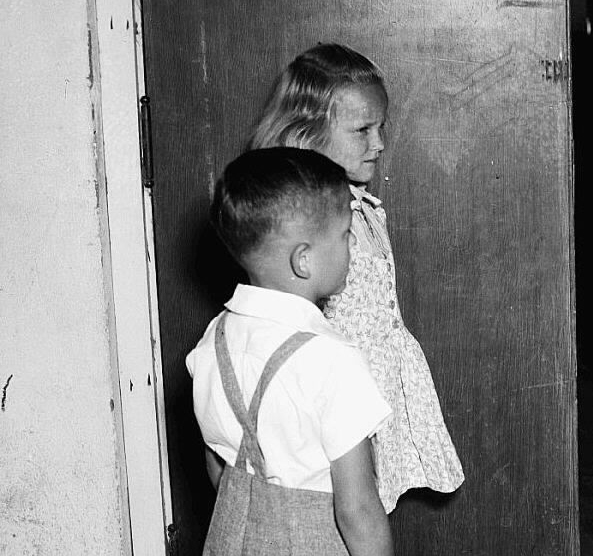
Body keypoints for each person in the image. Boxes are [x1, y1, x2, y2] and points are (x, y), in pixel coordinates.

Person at [248, 43, 464, 513]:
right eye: (363, 130)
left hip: (371, 393)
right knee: (349, 514)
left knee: (369, 509)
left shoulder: (362, 208)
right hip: (334, 404)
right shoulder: (307, 228)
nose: (379, 143)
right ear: (306, 135)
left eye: (381, 127)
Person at [188, 147, 393, 555]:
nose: (353, 243)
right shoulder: (332, 359)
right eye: (345, 234)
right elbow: (357, 510)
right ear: (304, 260)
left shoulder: (214, 340)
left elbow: (217, 465)